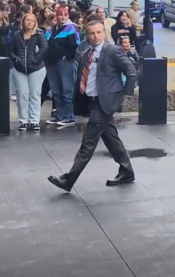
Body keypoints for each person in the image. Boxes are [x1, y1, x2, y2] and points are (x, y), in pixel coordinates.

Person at [47, 20, 138, 192]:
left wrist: (123, 96)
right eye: (92, 33)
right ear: (87, 35)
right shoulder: (85, 54)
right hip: (92, 102)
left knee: (87, 143)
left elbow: (131, 72)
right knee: (111, 140)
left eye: (98, 32)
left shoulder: (113, 51)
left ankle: (68, 180)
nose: (95, 36)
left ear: (104, 32)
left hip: (104, 105)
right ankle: (127, 171)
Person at [44, 6, 81, 127]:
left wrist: (67, 57)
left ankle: (69, 116)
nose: (62, 17)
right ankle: (59, 115)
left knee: (67, 90)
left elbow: (76, 46)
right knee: (56, 91)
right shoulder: (52, 29)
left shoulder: (72, 28)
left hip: (65, 63)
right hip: (51, 63)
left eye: (65, 14)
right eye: (60, 14)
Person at [11, 12, 48, 132]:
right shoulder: (16, 35)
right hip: (19, 68)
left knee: (35, 94)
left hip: (36, 68)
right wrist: (16, 59)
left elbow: (44, 48)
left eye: (32, 20)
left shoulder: (39, 34)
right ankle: (23, 121)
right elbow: (10, 50)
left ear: (35, 22)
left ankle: (34, 121)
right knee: (22, 94)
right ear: (23, 22)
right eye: (27, 20)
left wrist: (36, 59)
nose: (29, 22)